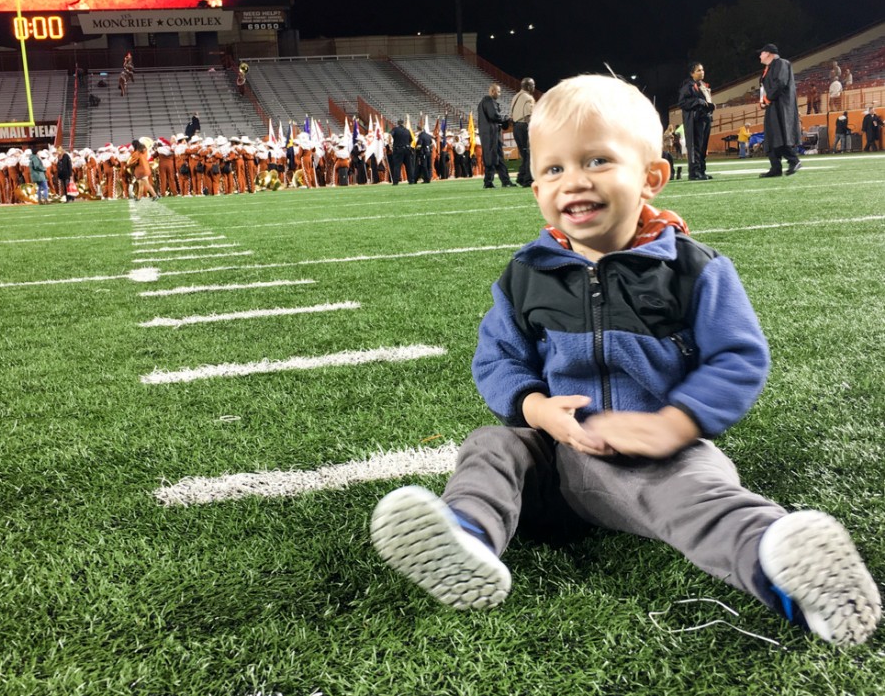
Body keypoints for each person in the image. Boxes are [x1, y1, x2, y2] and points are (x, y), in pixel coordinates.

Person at [369, 74, 881, 648]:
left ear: (651, 178)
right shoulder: (526, 274)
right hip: (558, 460)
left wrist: (672, 426)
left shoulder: (692, 269)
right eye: (554, 169)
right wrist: (537, 410)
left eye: (597, 161)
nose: (574, 181)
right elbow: (497, 358)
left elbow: (738, 356)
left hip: (658, 462)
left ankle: (785, 569)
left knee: (702, 506)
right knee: (491, 445)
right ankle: (468, 537)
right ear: (536, 187)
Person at [758, 44, 802, 177]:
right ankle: (775, 167)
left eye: (762, 53)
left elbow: (780, 83)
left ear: (769, 53)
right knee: (771, 137)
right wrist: (762, 100)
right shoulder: (769, 67)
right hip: (773, 105)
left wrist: (767, 98)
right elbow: (764, 87)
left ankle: (793, 160)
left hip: (781, 106)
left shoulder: (781, 63)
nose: (760, 56)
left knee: (778, 135)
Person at [678, 62, 714, 180]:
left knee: (703, 147)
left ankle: (701, 171)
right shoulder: (688, 86)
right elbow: (682, 103)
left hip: (705, 118)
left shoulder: (702, 85)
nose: (702, 72)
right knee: (695, 147)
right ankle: (694, 172)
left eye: (702, 70)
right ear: (692, 73)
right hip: (695, 120)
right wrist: (698, 101)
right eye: (698, 70)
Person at [478, 83, 517, 189]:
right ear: (492, 91)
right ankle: (488, 182)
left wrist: (503, 120)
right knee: (492, 157)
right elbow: (493, 115)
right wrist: (505, 118)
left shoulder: (485, 102)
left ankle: (505, 180)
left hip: (491, 133)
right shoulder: (488, 100)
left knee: (498, 158)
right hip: (491, 134)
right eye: (498, 91)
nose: (500, 94)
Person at [509, 77, 536, 187]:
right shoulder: (528, 98)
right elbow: (528, 116)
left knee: (525, 154)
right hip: (524, 127)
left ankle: (521, 177)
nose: (534, 87)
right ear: (529, 86)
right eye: (533, 85)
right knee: (530, 154)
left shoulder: (516, 97)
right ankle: (528, 180)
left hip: (516, 127)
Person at [389, 119, 413, 185]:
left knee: (397, 166)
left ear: (398, 123)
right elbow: (411, 140)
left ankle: (396, 181)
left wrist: (390, 144)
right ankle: (411, 180)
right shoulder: (407, 130)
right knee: (409, 166)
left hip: (398, 150)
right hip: (407, 149)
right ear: (403, 123)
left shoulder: (395, 129)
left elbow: (390, 135)